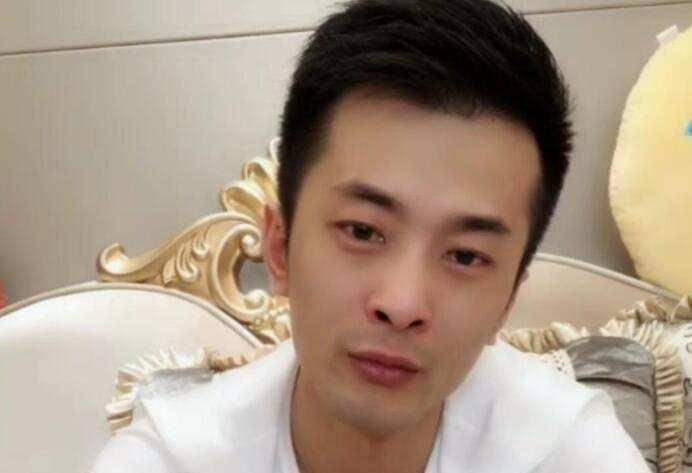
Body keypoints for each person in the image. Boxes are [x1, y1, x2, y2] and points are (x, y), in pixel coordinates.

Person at [91, 1, 650, 471]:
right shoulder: (172, 460)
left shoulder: (572, 453)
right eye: (362, 231)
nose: (402, 305)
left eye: (465, 256)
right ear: (280, 248)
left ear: (507, 300)